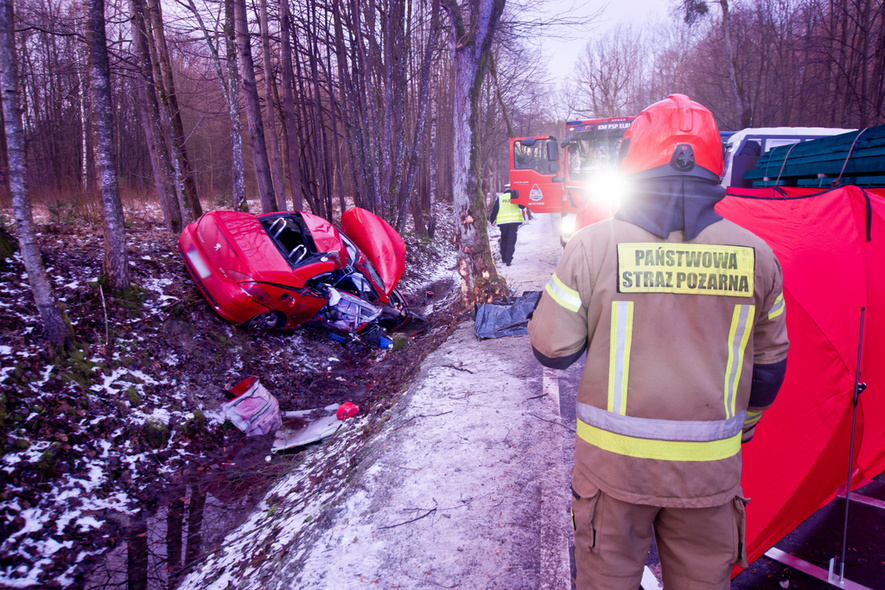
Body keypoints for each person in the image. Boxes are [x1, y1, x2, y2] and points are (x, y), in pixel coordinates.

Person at [528, 94, 789, 590]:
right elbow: (769, 369)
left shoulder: (592, 246)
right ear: (716, 165)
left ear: (632, 159)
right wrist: (742, 430)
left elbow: (551, 350)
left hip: (613, 477)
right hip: (709, 478)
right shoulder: (758, 256)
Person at [489, 186, 525, 266]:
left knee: (504, 239)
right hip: (514, 222)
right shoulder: (515, 196)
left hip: (503, 223)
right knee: (511, 241)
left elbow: (495, 210)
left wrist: (492, 220)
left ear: (504, 190)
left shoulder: (500, 198)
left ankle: (504, 258)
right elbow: (523, 206)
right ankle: (508, 259)